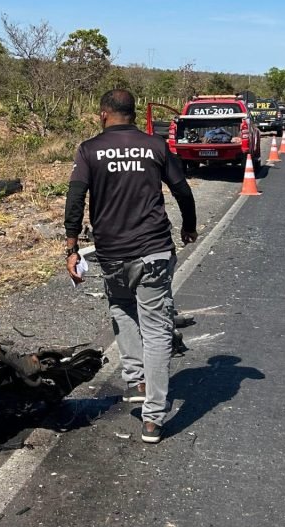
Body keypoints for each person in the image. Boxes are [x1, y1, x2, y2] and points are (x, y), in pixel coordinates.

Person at [64, 89, 198, 444]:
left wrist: (71, 247)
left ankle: (137, 379)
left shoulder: (89, 149)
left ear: (103, 114)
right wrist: (189, 226)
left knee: (122, 309)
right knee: (156, 331)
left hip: (112, 254)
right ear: (134, 114)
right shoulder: (155, 146)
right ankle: (152, 419)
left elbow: (75, 198)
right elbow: (182, 190)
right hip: (153, 253)